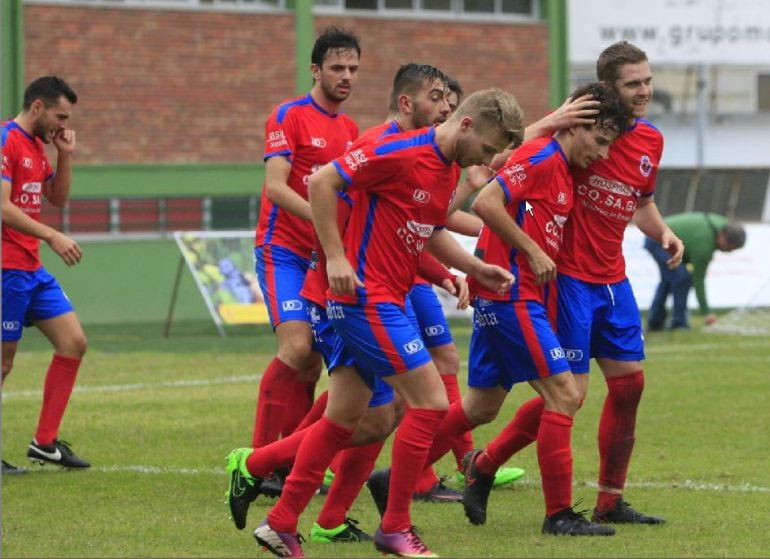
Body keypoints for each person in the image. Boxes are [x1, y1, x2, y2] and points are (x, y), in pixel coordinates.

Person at [243, 88, 523, 558]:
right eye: (489, 148)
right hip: (365, 299)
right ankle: (394, 527)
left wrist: (471, 270)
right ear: (467, 124)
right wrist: (335, 256)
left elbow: (428, 232)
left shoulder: (445, 170)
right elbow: (320, 183)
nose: (488, 159)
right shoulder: (398, 148)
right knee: (430, 402)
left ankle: (279, 521)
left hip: (384, 299)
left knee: (343, 420)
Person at [461, 41, 684, 528]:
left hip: (614, 279)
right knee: (567, 395)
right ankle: (485, 466)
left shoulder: (650, 141)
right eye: (633, 83)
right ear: (607, 88)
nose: (644, 91)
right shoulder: (571, 130)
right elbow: (503, 164)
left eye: (647, 80)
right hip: (568, 282)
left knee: (630, 386)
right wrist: (549, 120)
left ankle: (610, 500)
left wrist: (662, 230)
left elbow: (640, 203)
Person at [250, 27, 361, 461]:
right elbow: (275, 188)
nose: (346, 75)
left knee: (313, 362)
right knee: (296, 347)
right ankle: (258, 459)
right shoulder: (288, 115)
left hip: (321, 257)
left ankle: (290, 458)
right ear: (315, 70)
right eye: (337, 67)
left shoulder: (351, 127)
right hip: (282, 250)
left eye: (352, 68)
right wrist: (324, 223)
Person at [1, 75, 90, 470]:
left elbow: (58, 198)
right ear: (38, 107)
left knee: (73, 342)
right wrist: (52, 236)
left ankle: (44, 442)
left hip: (30, 268)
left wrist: (65, 154)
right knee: (3, 363)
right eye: (60, 115)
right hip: (6, 267)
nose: (63, 124)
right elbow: (2, 207)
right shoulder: (6, 140)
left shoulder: (38, 148)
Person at [645, 212, 746, 330]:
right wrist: (706, 311)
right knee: (682, 279)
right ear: (722, 236)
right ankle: (679, 323)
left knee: (668, 281)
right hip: (658, 240)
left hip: (662, 237)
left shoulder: (721, 226)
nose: (728, 252)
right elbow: (698, 279)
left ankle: (655, 322)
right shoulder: (704, 245)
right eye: (729, 248)